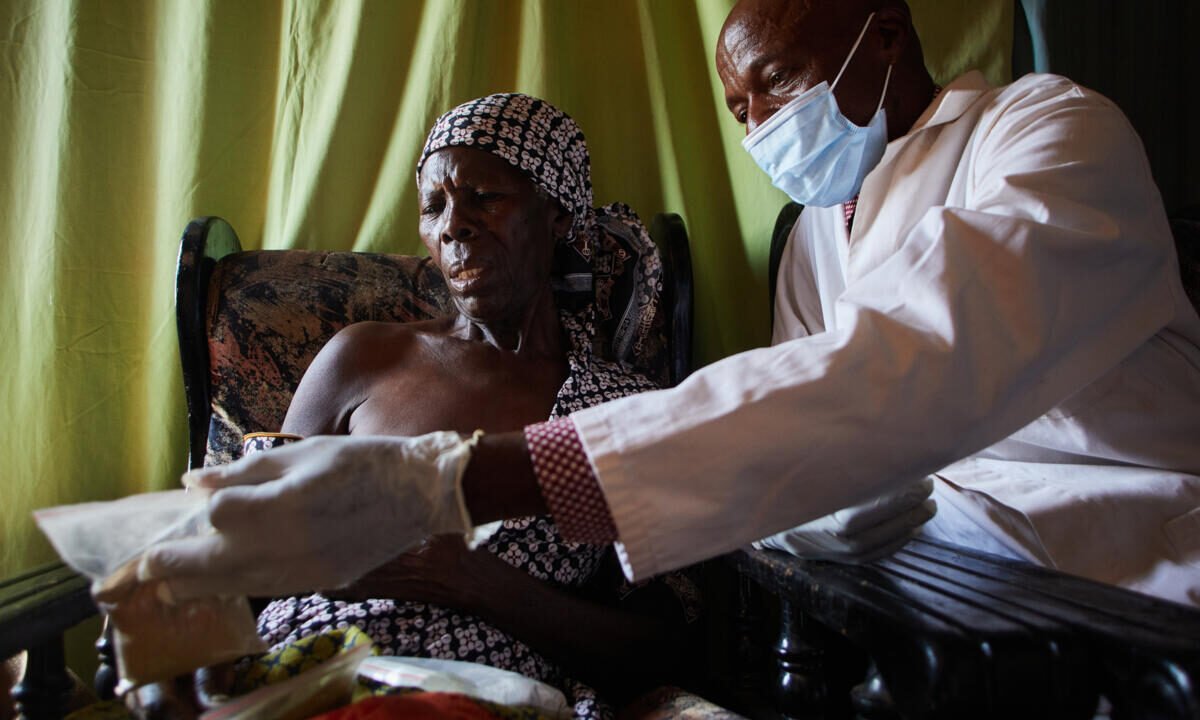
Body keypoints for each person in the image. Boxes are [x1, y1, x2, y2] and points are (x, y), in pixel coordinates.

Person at [142, 0, 1200, 608]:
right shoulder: (815, 243)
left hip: (1100, 563)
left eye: (778, 84)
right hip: (899, 578)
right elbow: (811, 457)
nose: (759, 133)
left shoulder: (1047, 131)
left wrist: (457, 482)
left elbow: (915, 360)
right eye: (738, 111)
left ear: (881, 36)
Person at [244, 93, 712, 719]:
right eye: (433, 206)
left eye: (484, 198)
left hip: (477, 694)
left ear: (557, 216)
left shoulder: (619, 406)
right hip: (295, 673)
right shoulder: (362, 358)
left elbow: (662, 647)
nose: (452, 225)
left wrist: (471, 581)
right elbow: (246, 551)